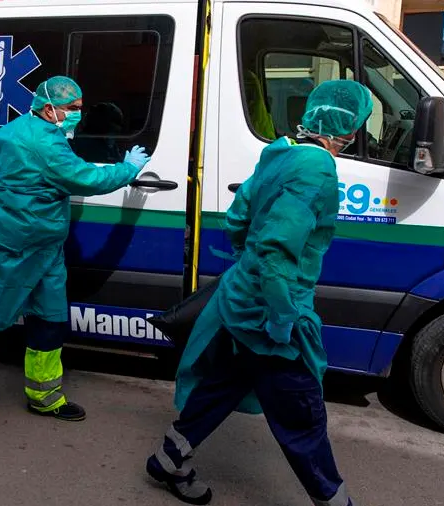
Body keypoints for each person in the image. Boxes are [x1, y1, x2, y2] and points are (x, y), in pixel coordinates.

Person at [145, 80, 373, 506]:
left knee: (222, 386)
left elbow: (238, 220)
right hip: (269, 312)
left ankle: (168, 459)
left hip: (240, 302)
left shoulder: (279, 153)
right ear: (350, 129)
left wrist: (249, 269)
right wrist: (282, 315)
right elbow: (275, 250)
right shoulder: (318, 168)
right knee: (301, 415)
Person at [0, 76, 151, 422]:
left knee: (50, 321)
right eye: (72, 109)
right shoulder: (45, 144)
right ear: (49, 108)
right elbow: (87, 178)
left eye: (80, 109)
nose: (77, 115)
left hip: (45, 248)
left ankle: (44, 396)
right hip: (14, 245)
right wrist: (127, 169)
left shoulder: (22, 129)